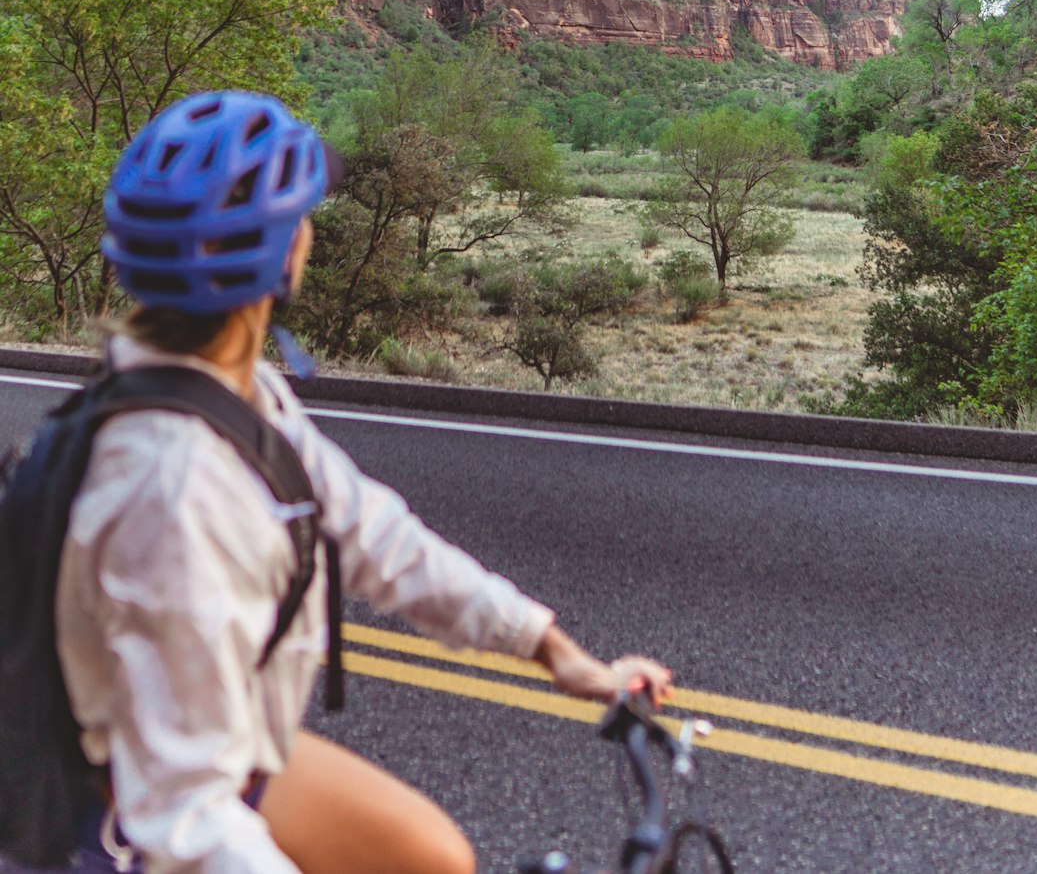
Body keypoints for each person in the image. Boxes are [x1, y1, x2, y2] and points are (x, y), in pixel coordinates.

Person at [51, 89, 671, 874]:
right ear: (281, 254)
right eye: (302, 218)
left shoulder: (228, 396)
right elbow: (185, 815)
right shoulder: (174, 492)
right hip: (115, 807)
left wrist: (555, 652)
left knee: (432, 858)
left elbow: (378, 535)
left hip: (183, 745)